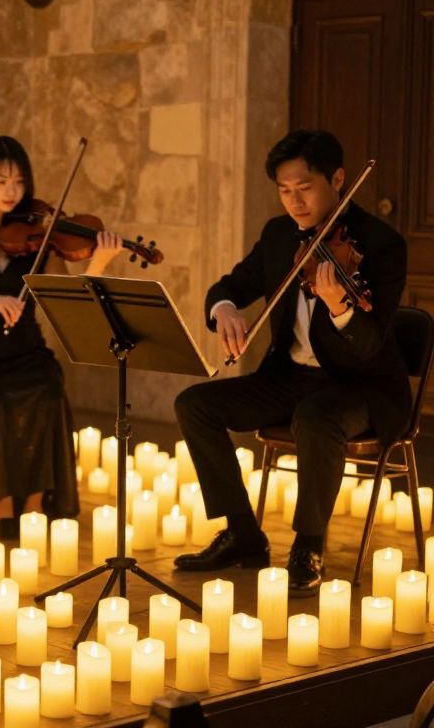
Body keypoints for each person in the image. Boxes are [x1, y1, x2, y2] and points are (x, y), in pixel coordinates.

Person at [172, 129, 410, 596]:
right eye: (285, 191)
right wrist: (224, 311)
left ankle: (309, 544)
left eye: (305, 188)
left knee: (316, 416)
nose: (295, 202)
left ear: (338, 179)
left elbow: (368, 346)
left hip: (361, 386)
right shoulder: (279, 236)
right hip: (291, 377)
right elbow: (228, 287)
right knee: (194, 404)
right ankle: (243, 532)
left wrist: (341, 306)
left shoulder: (381, 244)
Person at [0, 135, 124, 535]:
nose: (12, 191)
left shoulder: (41, 237)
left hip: (26, 352)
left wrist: (99, 262)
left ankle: (34, 507)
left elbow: (68, 298)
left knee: (46, 392)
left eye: (19, 182)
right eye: (1, 181)